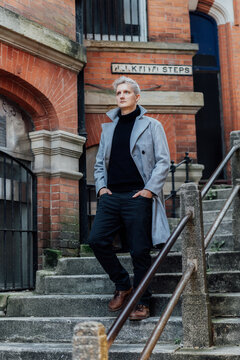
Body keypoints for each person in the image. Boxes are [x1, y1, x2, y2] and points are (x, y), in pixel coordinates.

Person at [88, 76, 170, 320]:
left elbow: (163, 161)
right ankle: (123, 285)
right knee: (96, 240)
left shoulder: (152, 125)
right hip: (112, 195)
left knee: (139, 251)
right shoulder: (108, 128)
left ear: (137, 97)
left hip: (138, 195)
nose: (121, 96)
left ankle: (142, 302)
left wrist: (148, 191)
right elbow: (100, 163)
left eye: (126, 92)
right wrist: (101, 188)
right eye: (118, 93)